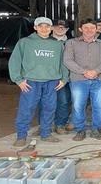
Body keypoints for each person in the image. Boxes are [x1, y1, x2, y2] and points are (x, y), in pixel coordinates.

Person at [8, 17, 68, 147]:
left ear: (51, 28)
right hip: (31, 82)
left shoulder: (57, 44)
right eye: (40, 26)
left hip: (52, 82)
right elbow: (14, 61)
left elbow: (63, 63)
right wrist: (18, 80)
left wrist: (64, 79)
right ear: (35, 27)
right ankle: (21, 136)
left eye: (47, 26)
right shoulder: (25, 42)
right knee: (27, 108)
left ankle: (46, 133)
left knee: (49, 108)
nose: (44, 29)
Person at [63, 19, 101, 141]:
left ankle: (96, 129)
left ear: (96, 29)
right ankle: (80, 130)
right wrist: (84, 72)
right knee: (78, 105)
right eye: (86, 28)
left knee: (99, 106)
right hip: (78, 79)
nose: (89, 30)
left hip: (98, 79)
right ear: (80, 29)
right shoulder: (71, 43)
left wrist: (96, 71)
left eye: (92, 28)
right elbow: (67, 60)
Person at [50, 19, 73, 134]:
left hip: (66, 78)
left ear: (67, 29)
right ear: (52, 28)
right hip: (48, 76)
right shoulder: (45, 41)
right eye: (57, 26)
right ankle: (44, 125)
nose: (60, 28)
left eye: (63, 27)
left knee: (64, 101)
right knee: (45, 102)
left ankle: (60, 125)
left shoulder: (71, 43)